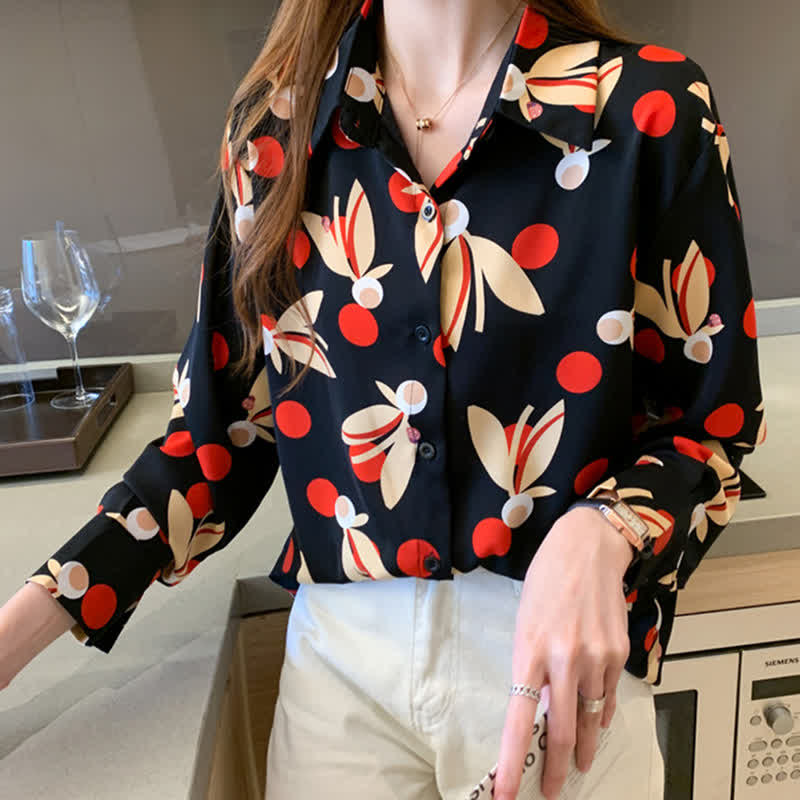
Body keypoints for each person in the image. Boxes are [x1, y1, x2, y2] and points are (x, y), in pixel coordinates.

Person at [1, 1, 766, 798]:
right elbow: (215, 445)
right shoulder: (274, 133)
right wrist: (17, 634)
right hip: (342, 679)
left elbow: (711, 432)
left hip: (559, 669)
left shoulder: (649, 110)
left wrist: (605, 530)